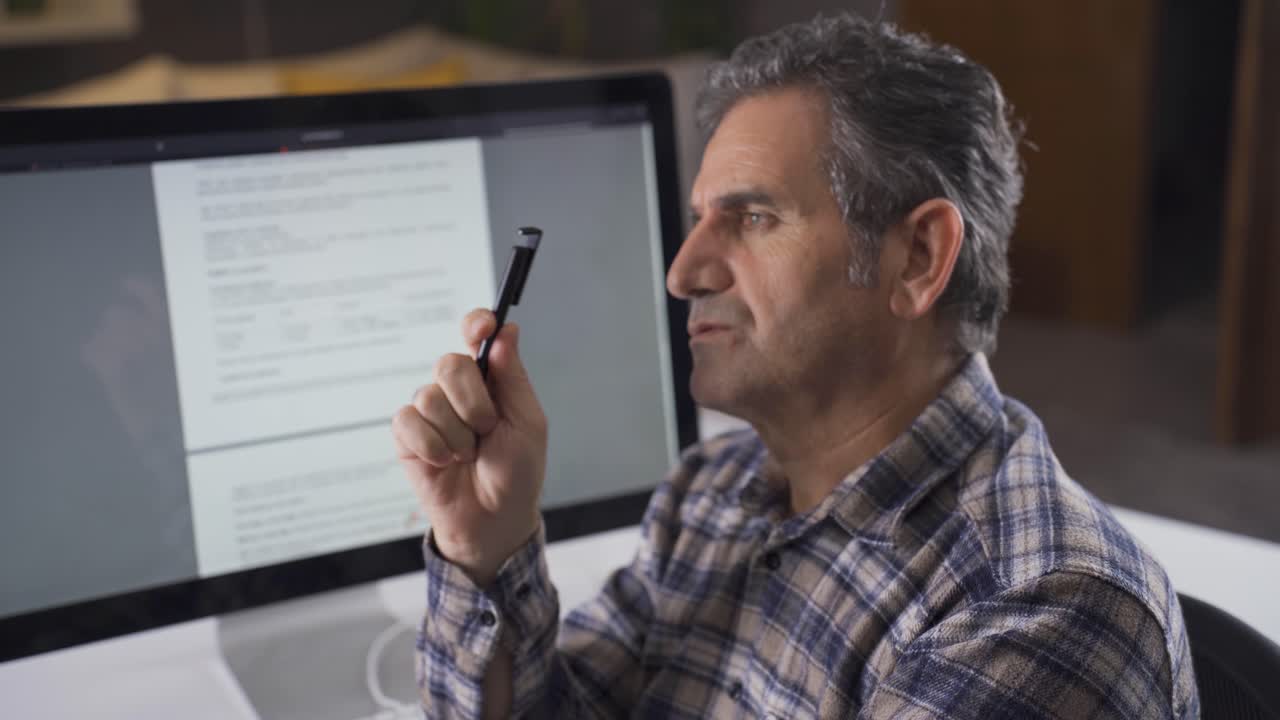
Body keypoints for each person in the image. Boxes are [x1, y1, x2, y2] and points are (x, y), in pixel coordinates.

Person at [392, 13, 1199, 720]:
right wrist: (484, 546)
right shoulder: (711, 491)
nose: (682, 272)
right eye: (698, 220)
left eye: (752, 217)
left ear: (919, 257)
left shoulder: (1036, 614)